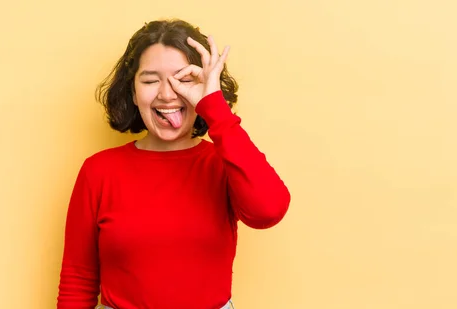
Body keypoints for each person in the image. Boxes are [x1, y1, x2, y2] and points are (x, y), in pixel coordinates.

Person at [56, 18, 291, 309]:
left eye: (183, 79)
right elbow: (77, 280)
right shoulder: (99, 171)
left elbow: (268, 210)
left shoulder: (223, 164)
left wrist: (214, 106)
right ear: (132, 92)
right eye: (150, 80)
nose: (167, 94)